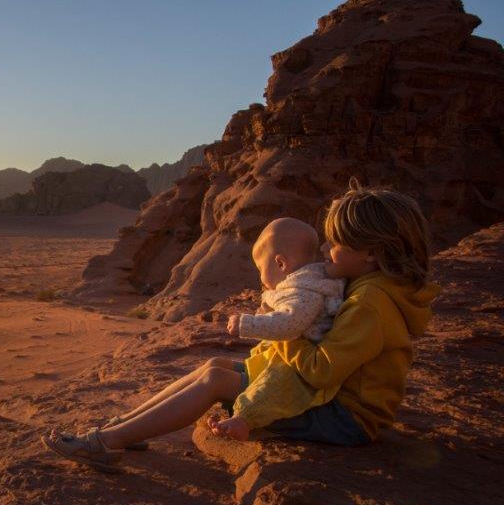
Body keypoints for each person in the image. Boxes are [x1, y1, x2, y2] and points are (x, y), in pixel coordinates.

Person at [41, 184, 439, 473]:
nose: (326, 252)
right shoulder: (372, 283)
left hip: (343, 415)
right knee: (215, 365)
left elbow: (321, 369)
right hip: (321, 394)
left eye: (336, 243)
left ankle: (108, 442)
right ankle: (123, 428)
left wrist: (285, 331)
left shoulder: (372, 302)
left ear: (372, 253)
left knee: (216, 382)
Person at [207, 217, 345, 441]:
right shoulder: (308, 282)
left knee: (271, 386)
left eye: (261, 269)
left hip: (300, 367)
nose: (261, 277)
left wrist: (247, 323)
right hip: (295, 355)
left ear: (281, 263)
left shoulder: (306, 290)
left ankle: (244, 420)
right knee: (219, 367)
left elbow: (288, 325)